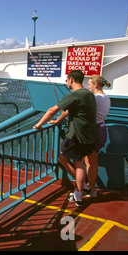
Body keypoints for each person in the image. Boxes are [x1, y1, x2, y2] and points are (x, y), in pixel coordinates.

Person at [33, 70, 96, 207]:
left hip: (76, 136)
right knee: (79, 163)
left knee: (65, 159)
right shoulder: (89, 94)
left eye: (67, 80)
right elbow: (68, 110)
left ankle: (79, 192)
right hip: (88, 136)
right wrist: (57, 121)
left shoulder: (74, 95)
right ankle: (81, 189)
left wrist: (38, 124)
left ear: (71, 80)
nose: (66, 82)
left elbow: (51, 110)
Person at [83, 75, 111, 197]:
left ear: (95, 85)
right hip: (101, 128)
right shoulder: (106, 98)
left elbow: (88, 115)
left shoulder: (96, 99)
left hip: (93, 130)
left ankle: (91, 189)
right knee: (92, 161)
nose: (88, 87)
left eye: (89, 84)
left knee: (89, 162)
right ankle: (90, 187)